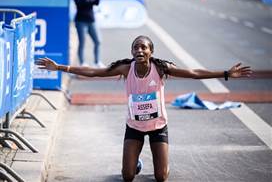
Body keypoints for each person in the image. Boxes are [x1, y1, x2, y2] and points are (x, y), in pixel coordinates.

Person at [36, 35, 252, 182]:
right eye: (136, 47)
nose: (139, 50)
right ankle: (135, 161)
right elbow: (94, 72)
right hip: (135, 127)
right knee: (128, 176)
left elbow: (194, 73)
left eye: (144, 47)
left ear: (150, 51)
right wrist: (60, 67)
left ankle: (160, 160)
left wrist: (225, 73)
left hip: (158, 126)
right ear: (131, 51)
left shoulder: (160, 68)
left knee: (161, 177)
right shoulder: (125, 68)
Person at [73, 0, 104, 67]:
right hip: (80, 21)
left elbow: (96, 3)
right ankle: (82, 62)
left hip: (91, 20)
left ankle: (97, 62)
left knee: (98, 41)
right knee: (82, 42)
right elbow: (80, 4)